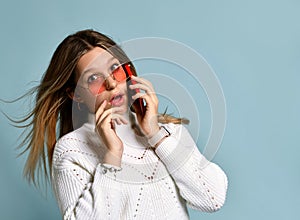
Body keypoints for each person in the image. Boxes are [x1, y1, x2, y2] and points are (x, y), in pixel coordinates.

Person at [18, 29, 228, 219]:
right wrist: (112, 156)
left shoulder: (167, 132)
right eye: (94, 79)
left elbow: (213, 198)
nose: (111, 83)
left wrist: (155, 135)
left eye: (115, 69)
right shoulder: (72, 151)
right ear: (76, 94)